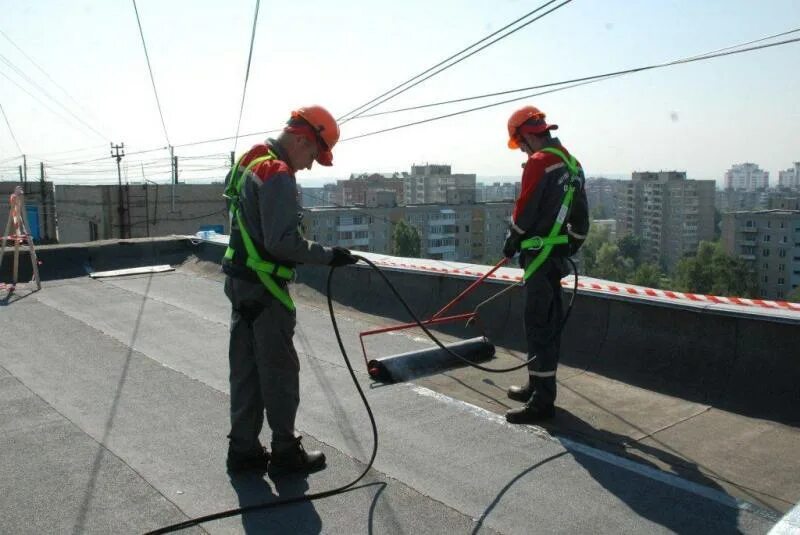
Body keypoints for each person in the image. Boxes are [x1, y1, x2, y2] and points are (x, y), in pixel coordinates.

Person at [221, 105, 358, 476]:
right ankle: (285, 453)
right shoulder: (278, 172)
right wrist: (329, 256)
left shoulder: (251, 160)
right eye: (313, 153)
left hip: (240, 282)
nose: (311, 164)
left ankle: (244, 451)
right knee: (279, 372)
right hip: (265, 288)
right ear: (301, 139)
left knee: (246, 371)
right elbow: (282, 243)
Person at [501, 105, 589, 424]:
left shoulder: (539, 163)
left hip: (537, 255)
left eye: (521, 143)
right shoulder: (572, 164)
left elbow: (525, 211)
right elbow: (581, 216)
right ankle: (536, 384)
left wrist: (513, 239)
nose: (522, 150)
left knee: (539, 324)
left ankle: (542, 401)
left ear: (526, 135)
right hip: (556, 256)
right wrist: (570, 244)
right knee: (546, 321)